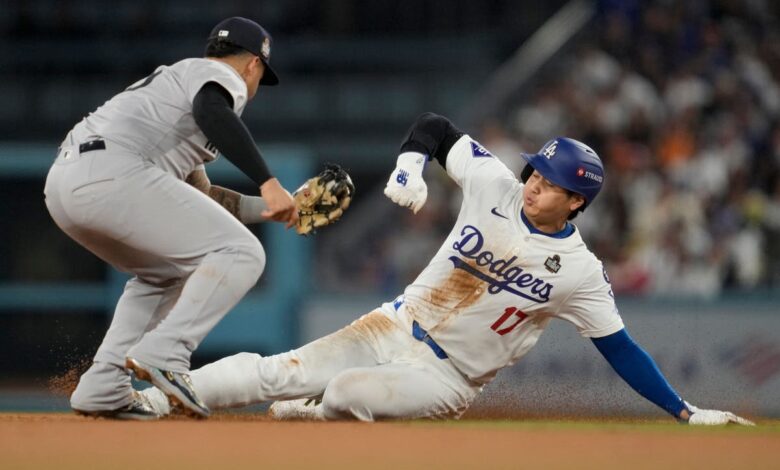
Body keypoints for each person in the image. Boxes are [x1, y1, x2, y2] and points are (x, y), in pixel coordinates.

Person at [140, 113, 752, 425]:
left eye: (552, 182)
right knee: (283, 370)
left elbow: (621, 350)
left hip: (448, 379)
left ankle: (317, 411)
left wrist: (684, 410)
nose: (536, 183)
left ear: (577, 202)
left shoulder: (579, 273)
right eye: (537, 170)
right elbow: (434, 129)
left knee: (348, 394)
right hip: (395, 324)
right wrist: (409, 165)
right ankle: (158, 401)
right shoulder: (493, 183)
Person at [44, 17, 298, 420]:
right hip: (115, 172)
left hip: (68, 184)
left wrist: (278, 206)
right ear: (253, 64)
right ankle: (167, 353)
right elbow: (213, 110)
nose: (255, 87)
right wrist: (268, 182)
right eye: (260, 76)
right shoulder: (218, 77)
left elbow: (202, 198)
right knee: (244, 254)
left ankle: (103, 385)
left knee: (163, 274)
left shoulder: (176, 90)